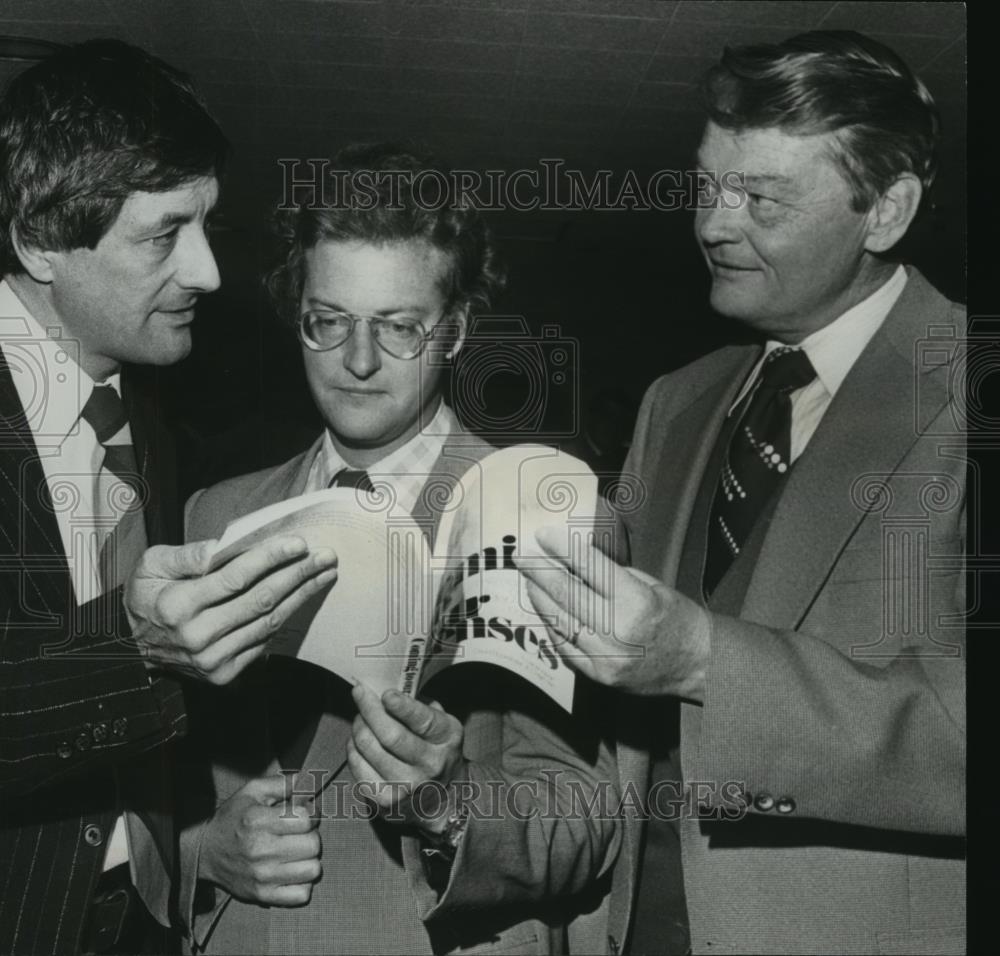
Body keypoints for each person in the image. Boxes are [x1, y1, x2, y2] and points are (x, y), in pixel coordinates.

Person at [518, 30, 966, 955]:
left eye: (760, 198)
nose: (714, 225)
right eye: (705, 186)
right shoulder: (675, 403)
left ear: (886, 210)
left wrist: (705, 662)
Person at [176, 143, 621, 955]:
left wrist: (450, 802)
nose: (356, 360)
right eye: (328, 321)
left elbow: (586, 820)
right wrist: (199, 850)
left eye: (399, 327)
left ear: (454, 332)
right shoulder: (218, 515)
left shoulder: (544, 514)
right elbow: (154, 785)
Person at [0, 40, 338, 956]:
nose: (207, 273)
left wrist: (191, 846)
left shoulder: (143, 423)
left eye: (207, 226)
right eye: (163, 235)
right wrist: (130, 651)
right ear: (39, 241)